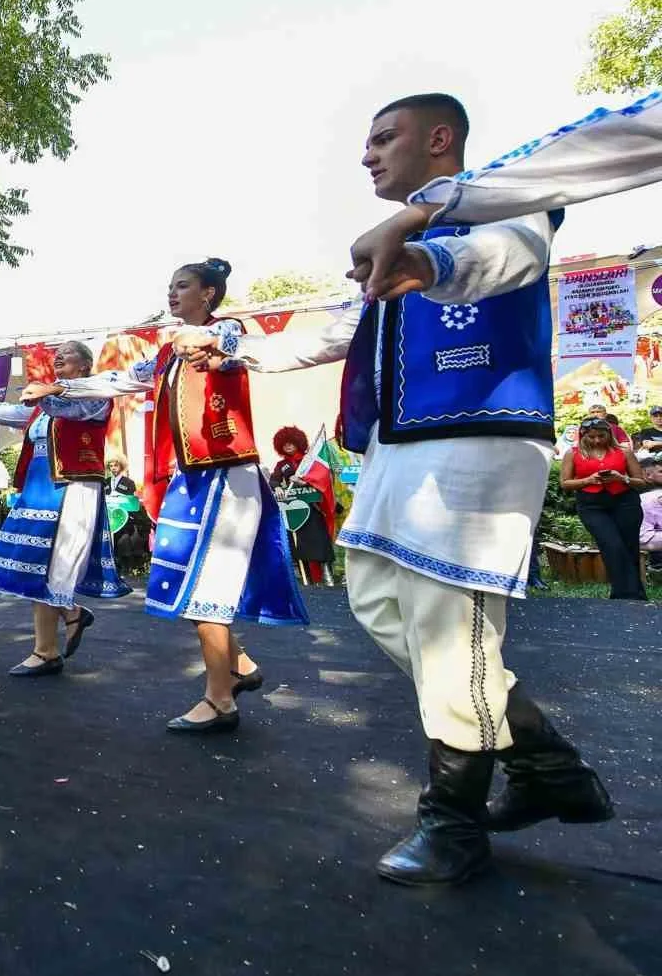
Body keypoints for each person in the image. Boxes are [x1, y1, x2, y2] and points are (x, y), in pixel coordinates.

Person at [178, 92, 613, 886]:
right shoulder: (390, 252)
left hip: (475, 443)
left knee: (455, 641)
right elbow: (333, 336)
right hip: (397, 453)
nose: (368, 154)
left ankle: (453, 826)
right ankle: (549, 765)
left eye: (386, 137)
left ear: (441, 139)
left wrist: (431, 261)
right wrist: (231, 348)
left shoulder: (511, 206)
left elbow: (506, 256)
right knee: (381, 609)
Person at [31, 261, 302, 730]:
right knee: (183, 583)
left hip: (227, 473)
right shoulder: (165, 355)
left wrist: (217, 344)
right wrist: (63, 386)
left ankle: (221, 700)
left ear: (210, 294)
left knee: (204, 591)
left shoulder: (228, 333)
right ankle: (238, 667)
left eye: (183, 286)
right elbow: (118, 381)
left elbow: (250, 350)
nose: (172, 294)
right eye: (170, 287)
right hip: (191, 477)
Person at [0, 340, 128, 676]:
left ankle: (50, 644)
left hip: (71, 487)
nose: (57, 359)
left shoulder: (93, 397)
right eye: (56, 356)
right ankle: (61, 627)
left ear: (85, 366)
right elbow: (17, 414)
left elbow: (66, 408)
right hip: (41, 489)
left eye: (67, 355)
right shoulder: (47, 404)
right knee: (32, 565)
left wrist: (47, 393)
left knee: (49, 567)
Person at [560, 415, 647, 600]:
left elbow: (641, 482)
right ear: (583, 436)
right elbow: (565, 483)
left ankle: (630, 594)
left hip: (625, 501)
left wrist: (621, 478)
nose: (597, 440)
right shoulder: (572, 453)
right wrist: (588, 480)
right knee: (612, 544)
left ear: (609, 434)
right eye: (591, 437)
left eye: (601, 436)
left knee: (629, 547)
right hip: (592, 505)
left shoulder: (623, 452)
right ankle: (628, 593)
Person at [270, 426, 336, 588]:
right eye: (284, 444)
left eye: (291, 442)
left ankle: (327, 574)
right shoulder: (282, 465)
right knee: (299, 544)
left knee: (320, 540)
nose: (288, 446)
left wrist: (306, 481)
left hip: (313, 507)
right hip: (295, 510)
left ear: (298, 442)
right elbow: (274, 480)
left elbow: (322, 476)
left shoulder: (310, 461)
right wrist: (277, 487)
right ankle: (306, 577)